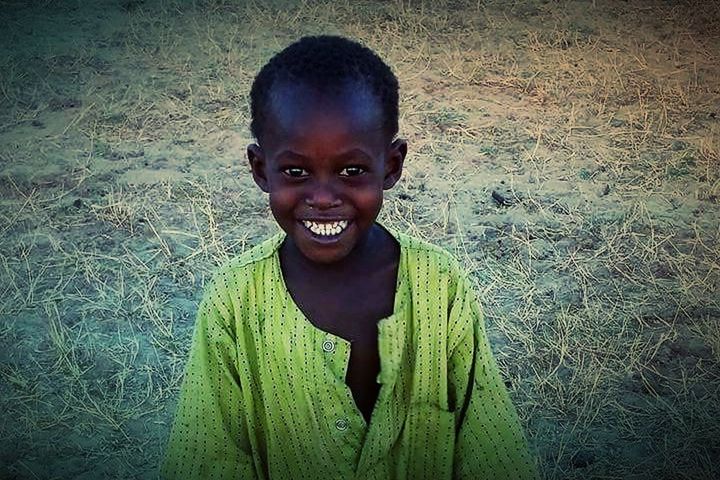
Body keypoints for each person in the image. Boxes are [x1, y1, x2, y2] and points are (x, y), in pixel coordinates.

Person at [160, 35, 539, 480]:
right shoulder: (233, 303)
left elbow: (490, 450)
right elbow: (208, 461)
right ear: (261, 170)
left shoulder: (441, 287)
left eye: (352, 171)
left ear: (391, 166)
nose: (323, 198)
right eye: (296, 172)